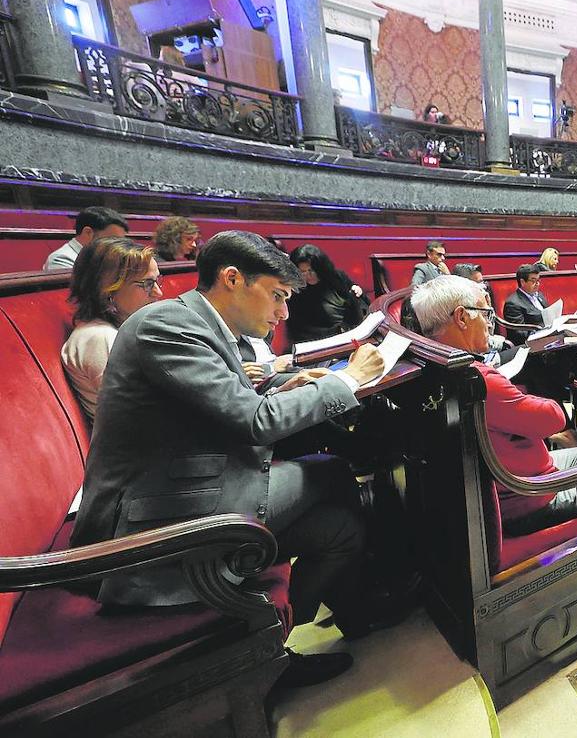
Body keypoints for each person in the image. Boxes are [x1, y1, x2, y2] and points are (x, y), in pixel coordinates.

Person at [70, 230, 399, 688]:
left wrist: (282, 388)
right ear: (231, 279)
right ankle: (314, 630)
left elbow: (218, 404)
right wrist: (345, 383)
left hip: (194, 490)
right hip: (159, 527)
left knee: (339, 528)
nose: (284, 311)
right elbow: (253, 423)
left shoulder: (197, 323)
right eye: (277, 296)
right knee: (335, 472)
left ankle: (289, 642)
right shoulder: (165, 326)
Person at [409, 275, 577, 591]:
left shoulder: (433, 364)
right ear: (461, 318)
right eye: (484, 312)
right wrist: (525, 399)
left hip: (507, 480)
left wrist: (517, 400)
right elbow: (552, 418)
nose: (489, 322)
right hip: (526, 498)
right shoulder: (478, 380)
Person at [61, 237, 163, 421]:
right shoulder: (99, 337)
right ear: (108, 289)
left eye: (157, 281)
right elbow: (141, 418)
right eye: (147, 284)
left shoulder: (120, 330)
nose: (158, 292)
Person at [286, 244, 367, 346]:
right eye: (302, 272)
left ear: (320, 267)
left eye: (311, 270)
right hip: (325, 343)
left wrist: (358, 294)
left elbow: (362, 305)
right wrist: (338, 332)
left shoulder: (338, 277)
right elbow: (300, 329)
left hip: (356, 334)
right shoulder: (297, 292)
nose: (308, 275)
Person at [44, 206, 129, 270]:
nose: (118, 247)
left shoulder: (101, 257)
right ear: (88, 233)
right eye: (113, 240)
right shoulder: (61, 259)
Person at [502, 264, 547, 344]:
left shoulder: (539, 295)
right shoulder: (513, 303)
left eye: (538, 280)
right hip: (530, 344)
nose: (537, 284)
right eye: (533, 281)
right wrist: (542, 333)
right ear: (522, 282)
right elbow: (519, 334)